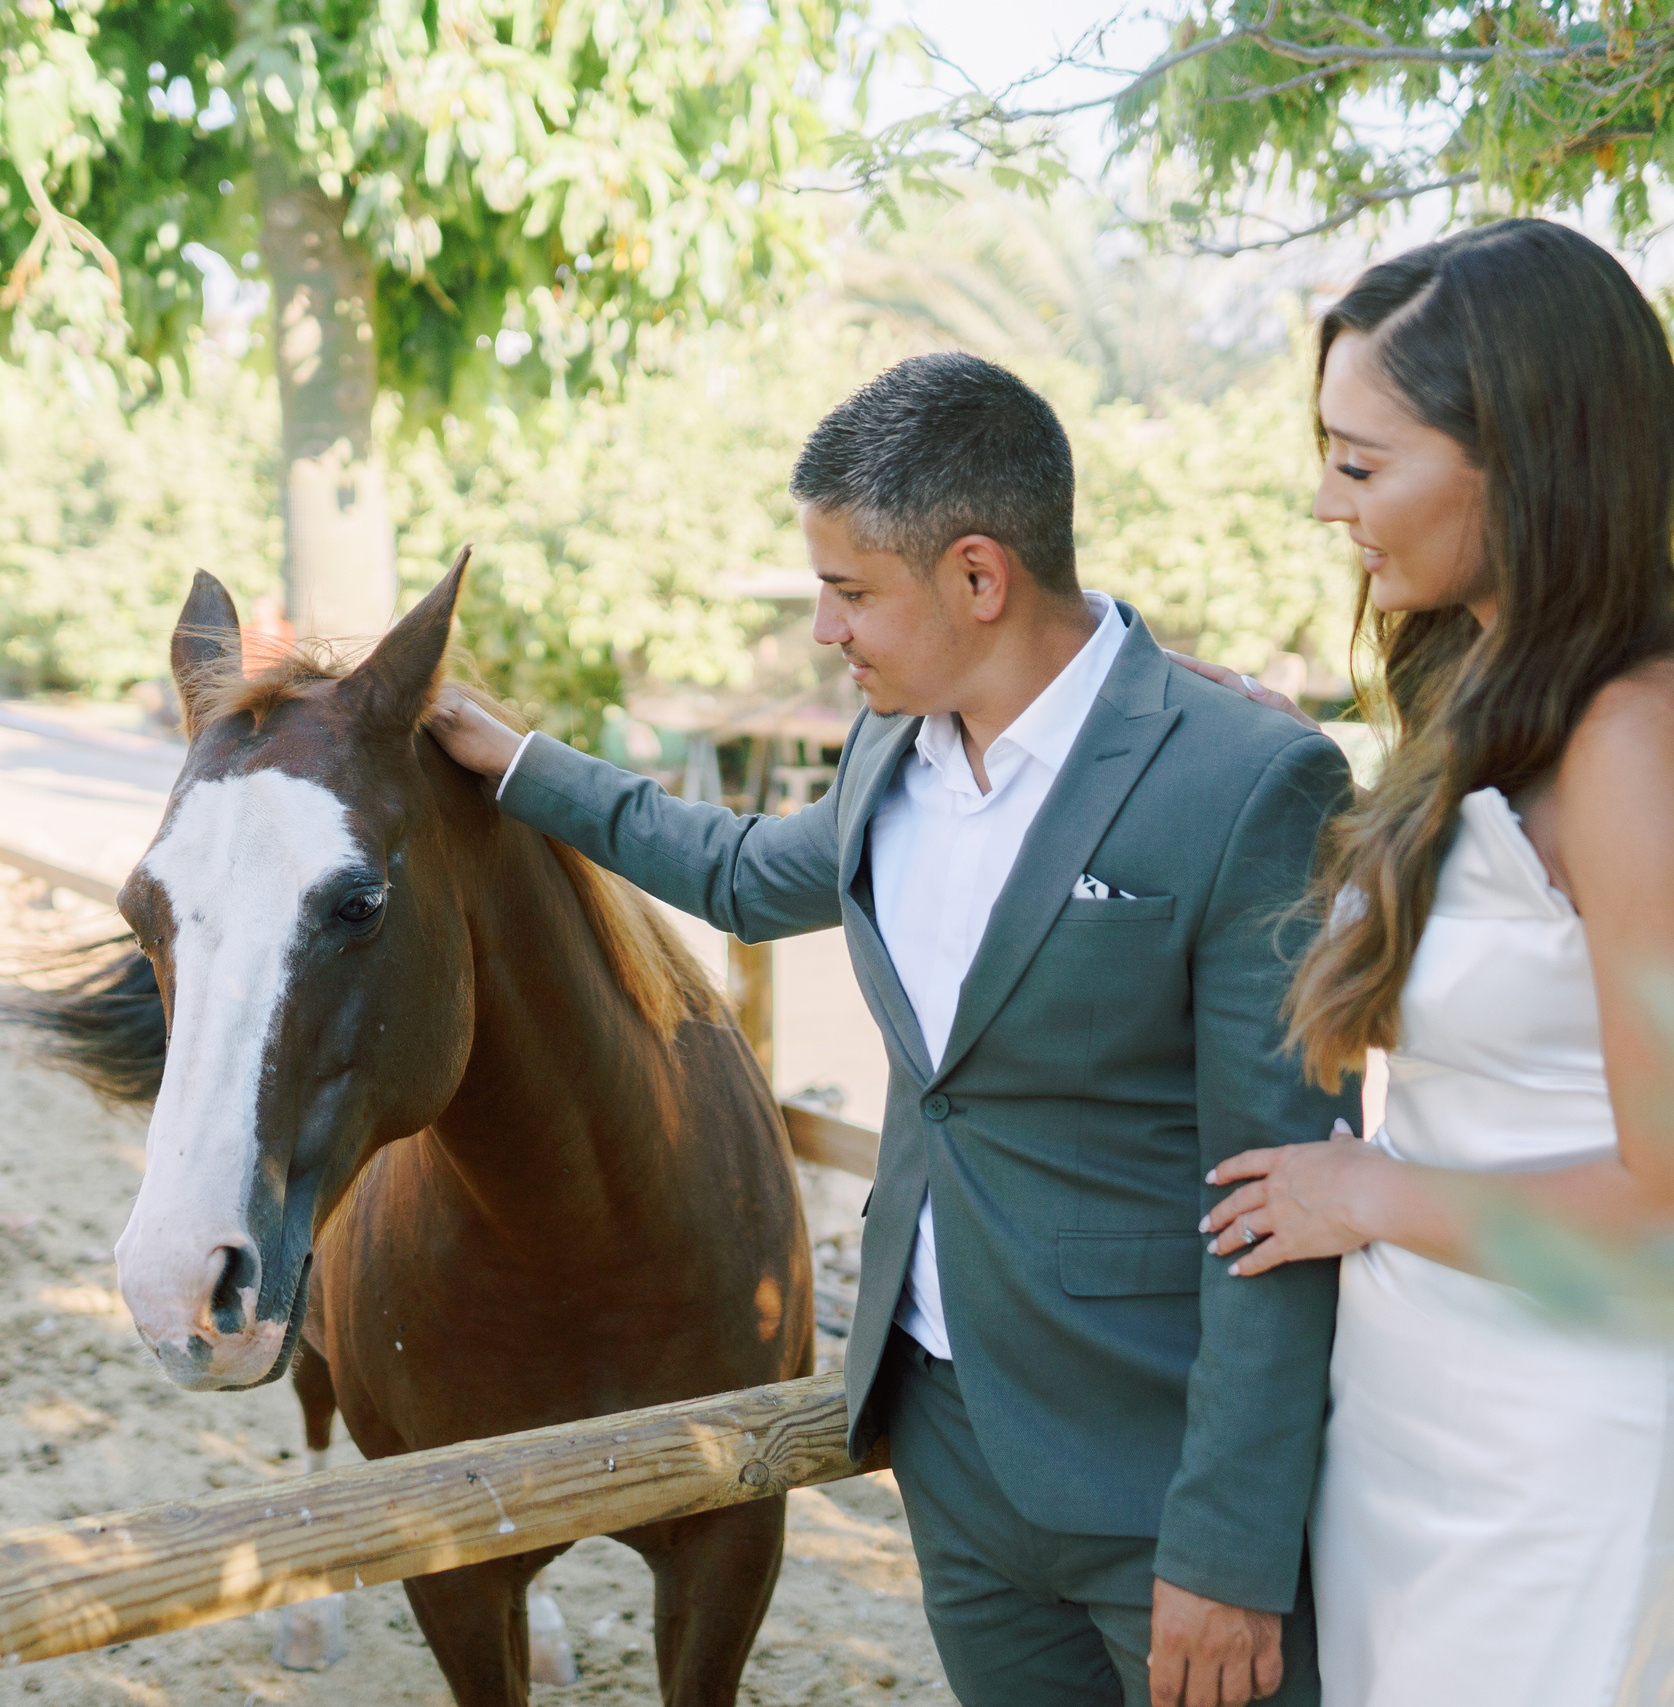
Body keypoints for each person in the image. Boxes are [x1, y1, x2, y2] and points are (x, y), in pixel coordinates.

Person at [426, 352, 1358, 1707]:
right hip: (949, 1450)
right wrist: (514, 762)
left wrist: (1229, 1549)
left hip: (1158, 1474)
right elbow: (741, 872)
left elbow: (1283, 1201)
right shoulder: (889, 749)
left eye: (849, 591)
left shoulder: (1244, 777)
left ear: (979, 578)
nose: (824, 630)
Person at [1175, 219, 1674, 1705]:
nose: (1325, 502)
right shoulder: (1493, 691)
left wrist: (1370, 1189)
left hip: (1556, 1462)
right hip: (1418, 1410)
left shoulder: (1651, 734)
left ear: (1519, 453)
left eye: (1363, 463)